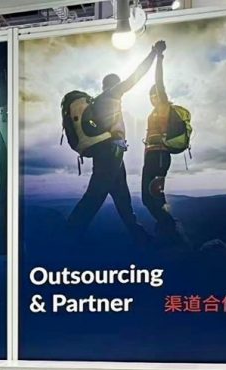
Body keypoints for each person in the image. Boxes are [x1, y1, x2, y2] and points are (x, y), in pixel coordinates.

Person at [67, 41, 166, 241]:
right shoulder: (113, 94)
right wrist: (154, 53)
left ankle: (141, 238)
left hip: (110, 153)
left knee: (123, 200)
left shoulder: (98, 100)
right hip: (110, 154)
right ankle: (68, 237)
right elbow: (136, 76)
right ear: (114, 84)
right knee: (94, 197)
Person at [142, 44, 183, 241]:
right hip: (153, 156)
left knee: (151, 197)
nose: (153, 98)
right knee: (151, 197)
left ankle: (169, 229)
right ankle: (167, 227)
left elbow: (159, 81)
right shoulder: (155, 111)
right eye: (150, 96)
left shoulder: (164, 106)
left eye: (155, 95)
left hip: (159, 156)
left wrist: (159, 57)